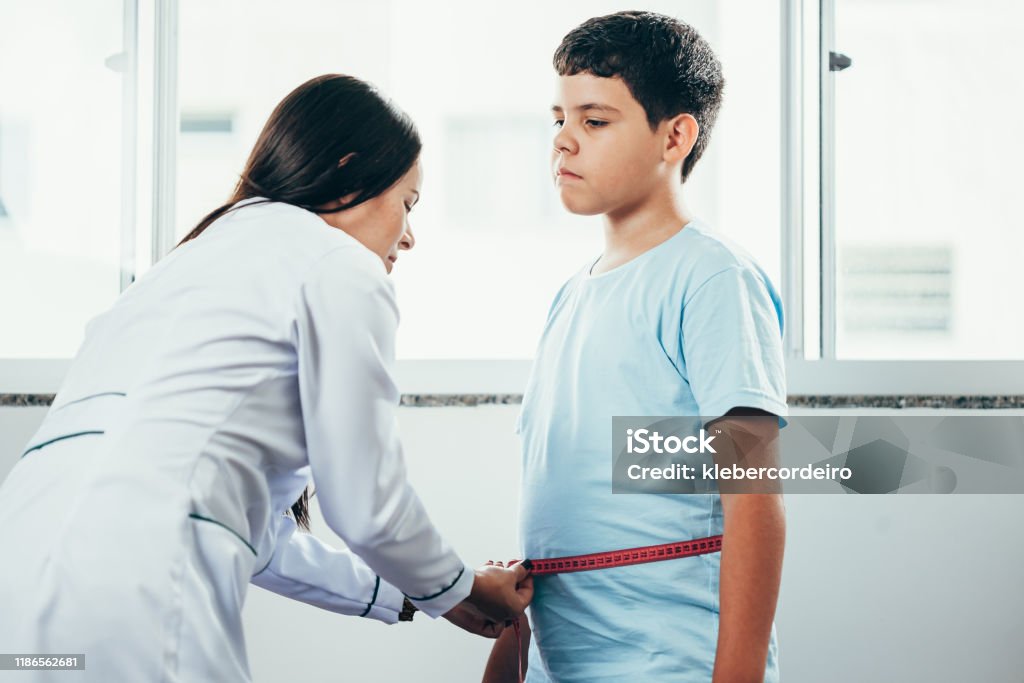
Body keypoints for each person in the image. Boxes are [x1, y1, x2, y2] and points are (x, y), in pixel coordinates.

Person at [0, 74, 531, 682]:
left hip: (15, 576)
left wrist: (426, 597)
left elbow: (258, 538)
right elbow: (366, 505)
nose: (408, 236)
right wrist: (459, 585)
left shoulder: (184, 266)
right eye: (407, 203)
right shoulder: (338, 266)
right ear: (350, 170)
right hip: (136, 585)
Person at [483, 12, 786, 683]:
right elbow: (561, 522)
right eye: (557, 119)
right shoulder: (571, 298)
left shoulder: (711, 278)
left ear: (675, 135)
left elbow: (754, 495)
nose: (563, 141)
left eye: (594, 121)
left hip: (668, 661)